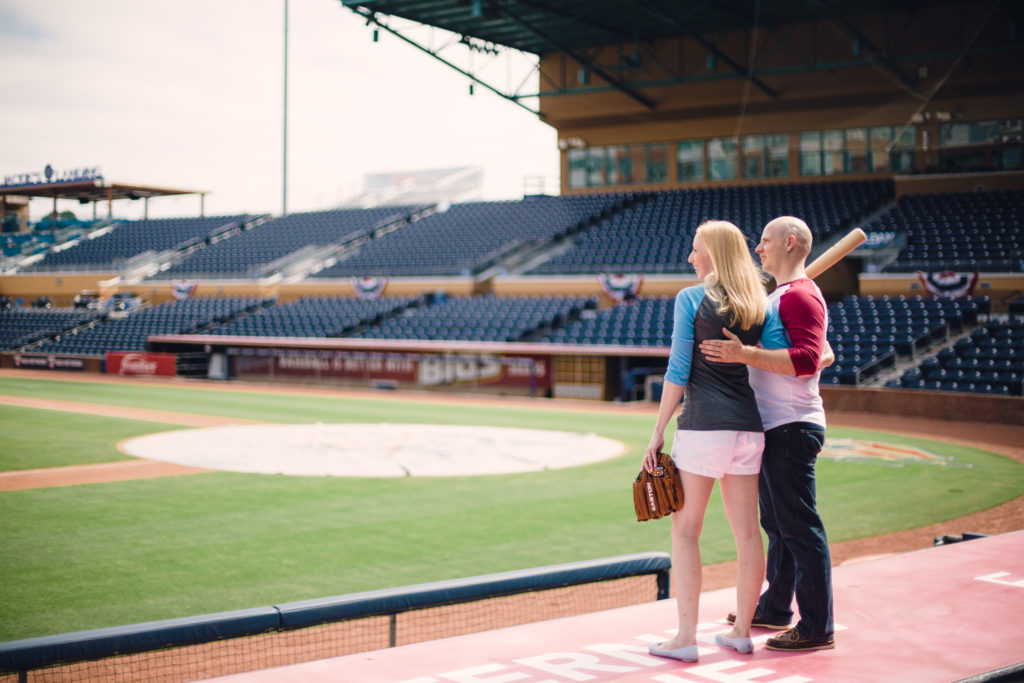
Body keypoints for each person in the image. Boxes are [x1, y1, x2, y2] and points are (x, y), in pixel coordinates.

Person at [645, 220, 787, 662]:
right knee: (747, 533)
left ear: (715, 254)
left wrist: (657, 430)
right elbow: (780, 358)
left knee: (686, 531)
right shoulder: (759, 304)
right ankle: (742, 632)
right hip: (748, 427)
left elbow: (677, 370)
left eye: (696, 249)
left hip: (704, 427)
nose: (691, 257)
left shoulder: (691, 299)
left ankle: (686, 637)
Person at [700, 215, 835, 651]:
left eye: (765, 241)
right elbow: (823, 354)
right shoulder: (782, 296)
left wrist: (745, 354)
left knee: (799, 527)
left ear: (790, 243)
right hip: (776, 424)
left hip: (792, 425)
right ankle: (775, 606)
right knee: (777, 523)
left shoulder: (799, 297)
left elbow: (808, 359)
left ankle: (817, 626)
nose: (758, 249)